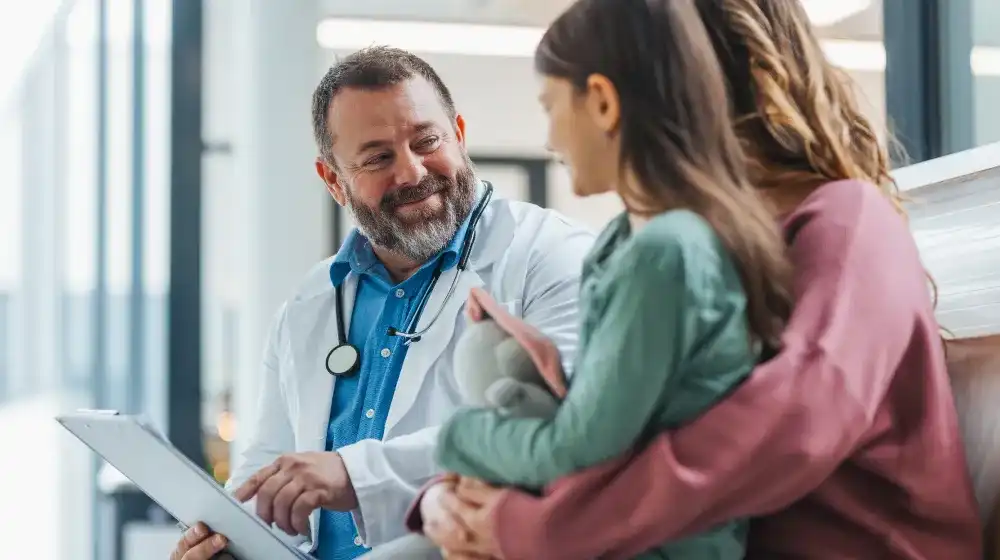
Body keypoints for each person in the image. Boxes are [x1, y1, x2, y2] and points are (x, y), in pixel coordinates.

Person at [413, 0, 985, 558]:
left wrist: (534, 528)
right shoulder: (676, 244)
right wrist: (451, 495)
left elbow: (786, 432)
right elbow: (620, 429)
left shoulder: (848, 223)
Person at [368, 0, 795, 558]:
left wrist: (458, 439)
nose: (549, 138)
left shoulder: (667, 252)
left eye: (550, 107)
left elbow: (581, 446)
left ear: (602, 101)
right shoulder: (623, 243)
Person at [168, 46, 594, 560]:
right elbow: (270, 465)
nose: (412, 173)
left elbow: (564, 426)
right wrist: (229, 540)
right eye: (377, 158)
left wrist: (354, 473)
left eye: (427, 140)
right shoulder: (311, 302)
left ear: (458, 134)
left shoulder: (549, 255)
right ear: (333, 181)